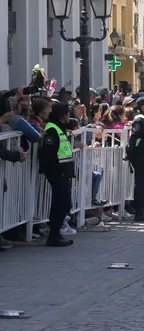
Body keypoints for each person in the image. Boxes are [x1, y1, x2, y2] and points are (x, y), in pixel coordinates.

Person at [38, 101, 76, 247]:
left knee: (63, 203)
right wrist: (56, 170)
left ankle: (56, 234)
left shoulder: (58, 128)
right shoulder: (52, 130)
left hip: (63, 172)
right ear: (62, 115)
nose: (69, 116)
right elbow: (48, 154)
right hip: (58, 172)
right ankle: (53, 236)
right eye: (67, 113)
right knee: (61, 203)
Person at [125, 94, 144, 222]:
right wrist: (131, 152)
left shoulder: (143, 119)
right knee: (140, 183)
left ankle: (140, 210)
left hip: (142, 154)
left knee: (141, 183)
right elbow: (134, 138)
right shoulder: (140, 120)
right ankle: (139, 212)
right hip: (139, 154)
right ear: (143, 106)